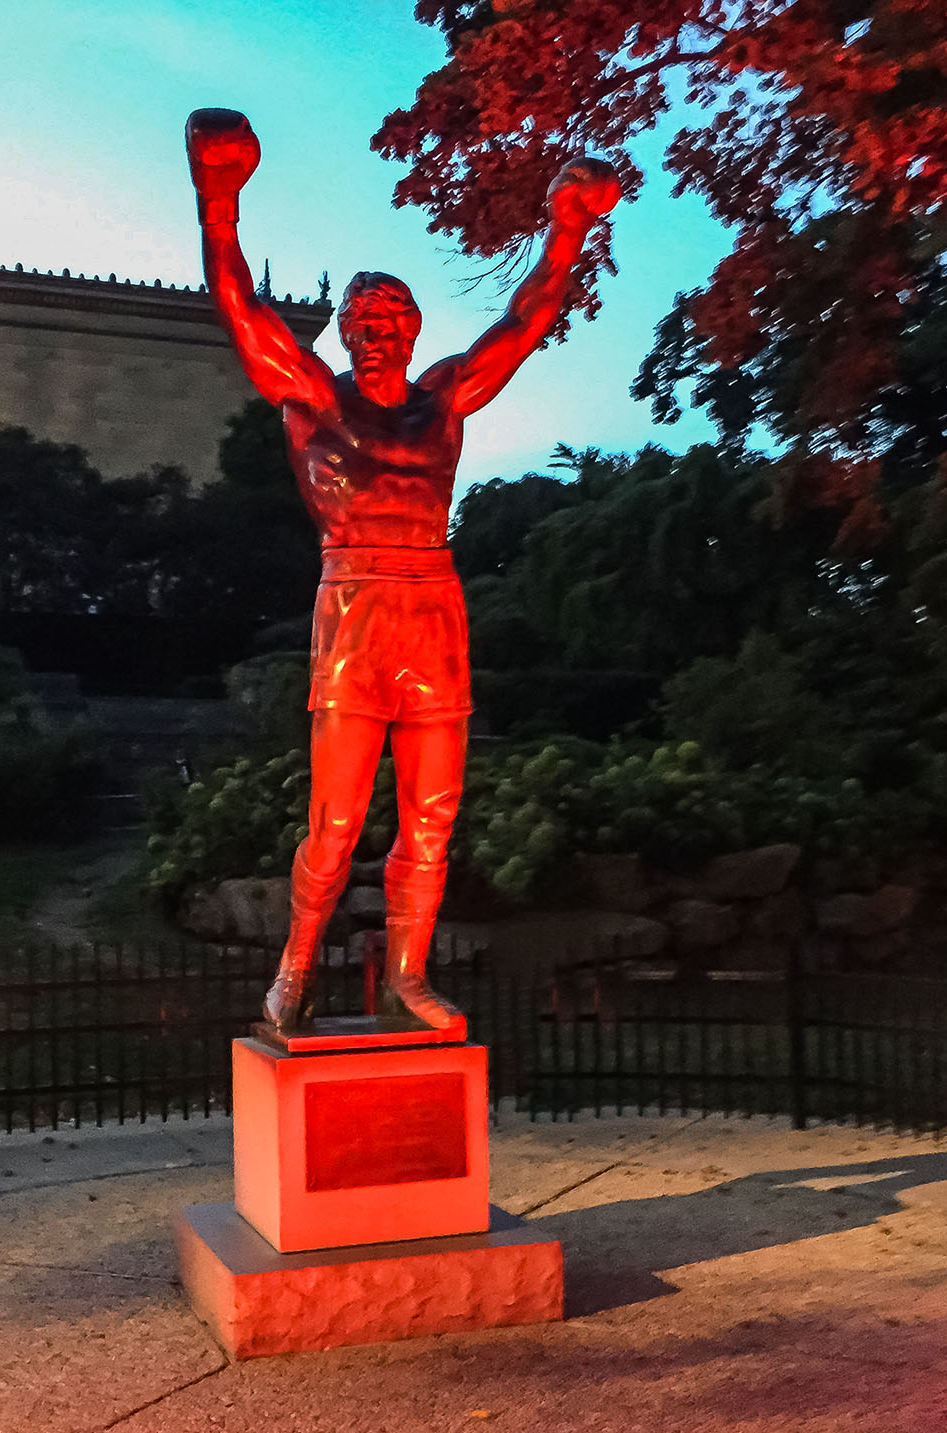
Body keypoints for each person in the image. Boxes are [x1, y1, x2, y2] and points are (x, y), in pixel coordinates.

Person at [185, 108, 621, 1032]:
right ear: (342, 334)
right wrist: (218, 199)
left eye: (389, 320)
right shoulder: (313, 399)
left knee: (433, 814)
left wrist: (567, 231)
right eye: (360, 321)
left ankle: (409, 977)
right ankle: (295, 968)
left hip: (432, 605)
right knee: (336, 821)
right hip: (354, 603)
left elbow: (525, 320)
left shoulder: (443, 403)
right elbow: (241, 309)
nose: (374, 332)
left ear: (414, 332)